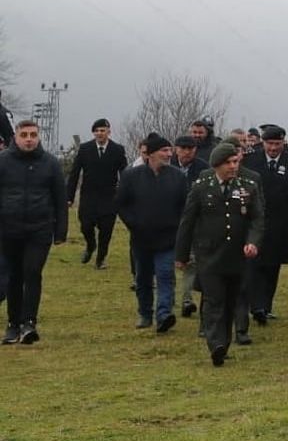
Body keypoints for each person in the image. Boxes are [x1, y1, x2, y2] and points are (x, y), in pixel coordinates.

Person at [175, 142, 265, 367]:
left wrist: (252, 243)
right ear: (217, 165)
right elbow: (187, 222)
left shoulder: (248, 186)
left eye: (236, 162)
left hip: (237, 255)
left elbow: (257, 219)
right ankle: (215, 343)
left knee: (231, 300)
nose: (234, 166)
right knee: (214, 299)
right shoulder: (201, 187)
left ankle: (223, 342)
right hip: (209, 255)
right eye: (229, 163)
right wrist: (182, 254)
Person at [0, 120, 68, 344]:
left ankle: (29, 322)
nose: (29, 139)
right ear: (16, 137)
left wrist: (60, 232)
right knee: (13, 276)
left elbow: (60, 199)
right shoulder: (3, 162)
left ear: (38, 137)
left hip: (39, 230)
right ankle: (13, 325)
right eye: (24, 135)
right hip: (8, 230)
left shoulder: (50, 163)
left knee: (32, 272)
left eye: (33, 134)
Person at [115, 133, 187, 332]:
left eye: (169, 150)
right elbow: (121, 204)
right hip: (141, 238)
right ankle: (145, 313)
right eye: (164, 151)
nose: (168, 154)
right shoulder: (131, 176)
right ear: (150, 155)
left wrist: (179, 227)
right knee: (143, 278)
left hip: (168, 238)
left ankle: (164, 314)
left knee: (165, 275)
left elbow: (185, 206)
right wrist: (133, 223)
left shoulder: (178, 177)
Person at [240, 125, 288, 324]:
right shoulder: (250, 160)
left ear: (283, 142)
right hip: (253, 222)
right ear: (263, 142)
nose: (273, 148)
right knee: (253, 264)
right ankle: (256, 305)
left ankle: (265, 306)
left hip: (280, 221)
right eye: (269, 144)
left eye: (277, 144)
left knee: (272, 265)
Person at [65, 118, 128, 268]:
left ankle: (100, 259)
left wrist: (125, 194)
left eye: (103, 130)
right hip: (88, 196)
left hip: (109, 197)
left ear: (108, 132)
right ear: (93, 133)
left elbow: (124, 173)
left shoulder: (117, 150)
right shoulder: (85, 149)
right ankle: (90, 245)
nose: (100, 133)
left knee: (106, 230)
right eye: (97, 131)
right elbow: (74, 173)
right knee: (86, 226)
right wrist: (69, 197)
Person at [172, 135, 209, 317]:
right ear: (176, 149)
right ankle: (168, 298)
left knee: (190, 261)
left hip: (193, 222)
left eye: (191, 149)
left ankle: (186, 300)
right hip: (169, 221)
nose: (187, 152)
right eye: (183, 148)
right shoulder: (167, 166)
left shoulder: (203, 168)